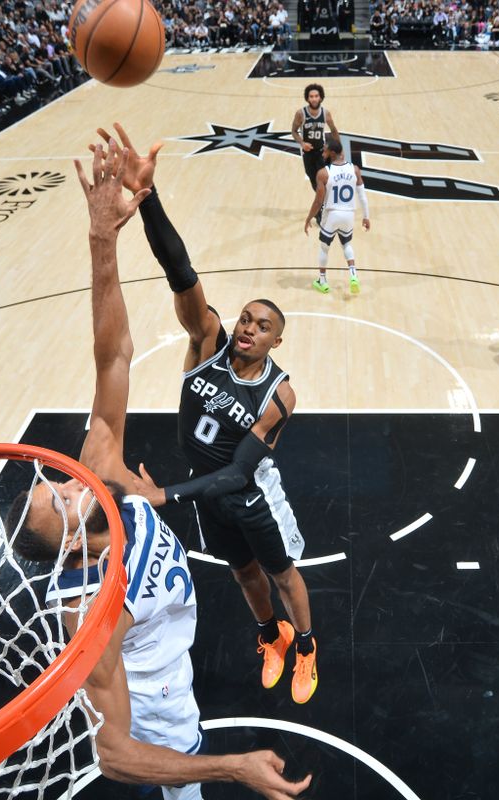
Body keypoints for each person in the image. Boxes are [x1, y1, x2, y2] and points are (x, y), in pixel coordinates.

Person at [6, 140, 313, 799]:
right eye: (55, 501)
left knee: (273, 572)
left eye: (51, 482)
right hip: (159, 690)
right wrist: (232, 766)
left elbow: (113, 353)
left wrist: (101, 237)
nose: (64, 481)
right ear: (68, 545)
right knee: (180, 777)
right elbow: (114, 752)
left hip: (220, 512)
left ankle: (295, 642)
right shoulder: (90, 614)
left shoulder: (99, 474)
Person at [96, 124, 318, 705]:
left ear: (276, 342)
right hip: (208, 495)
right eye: (245, 317)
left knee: (282, 573)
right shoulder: (206, 346)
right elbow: (182, 273)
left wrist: (167, 496)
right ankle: (271, 635)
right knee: (244, 575)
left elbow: (242, 473)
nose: (247, 327)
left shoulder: (279, 394)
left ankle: (306, 647)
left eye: (262, 325)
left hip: (248, 494)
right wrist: (149, 200)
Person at [304, 136, 370, 295]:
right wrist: (366, 216)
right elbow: (362, 196)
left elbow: (318, 201)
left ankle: (323, 280)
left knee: (324, 248)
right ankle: (353, 275)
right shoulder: (355, 169)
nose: (323, 151)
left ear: (332, 153)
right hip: (349, 215)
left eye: (325, 149)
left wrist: (308, 219)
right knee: (346, 245)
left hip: (332, 215)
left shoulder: (323, 173)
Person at [290, 84, 339, 192]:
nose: (314, 99)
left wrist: (339, 149)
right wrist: (302, 143)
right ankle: (322, 202)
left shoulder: (326, 113)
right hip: (308, 152)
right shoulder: (300, 113)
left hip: (322, 151)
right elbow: (294, 131)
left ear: (320, 97)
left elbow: (334, 130)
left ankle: (325, 204)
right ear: (307, 98)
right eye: (311, 96)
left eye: (316, 96)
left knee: (325, 180)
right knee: (314, 180)